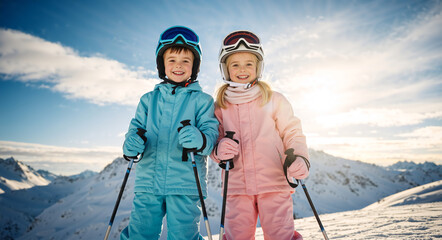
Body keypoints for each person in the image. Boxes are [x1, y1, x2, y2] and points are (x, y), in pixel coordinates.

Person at [120, 26, 219, 240]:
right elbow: (135, 129)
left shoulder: (202, 101)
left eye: (186, 60)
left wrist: (200, 139)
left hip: (185, 182)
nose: (178, 66)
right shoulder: (148, 100)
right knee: (140, 233)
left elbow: (211, 136)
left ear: (195, 66)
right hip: (148, 181)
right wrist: (131, 144)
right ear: (162, 64)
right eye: (172, 60)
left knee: (183, 235)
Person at [210, 30, 310, 240]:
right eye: (235, 64)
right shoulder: (220, 106)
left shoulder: (274, 99)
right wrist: (219, 149)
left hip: (273, 181)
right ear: (225, 69)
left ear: (258, 67)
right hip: (236, 186)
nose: (242, 69)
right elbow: (213, 139)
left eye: (249, 63)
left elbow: (292, 131)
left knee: (279, 235)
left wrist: (299, 157)